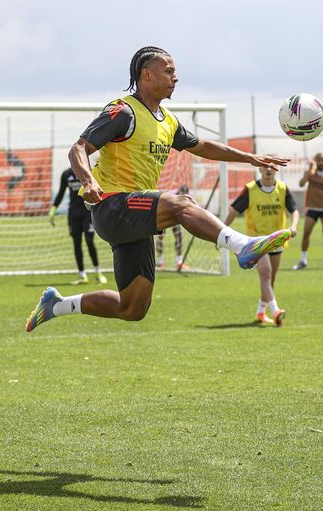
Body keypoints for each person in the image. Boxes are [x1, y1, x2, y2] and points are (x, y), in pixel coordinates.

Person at [26, 46, 291, 332]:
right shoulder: (123, 111)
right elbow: (78, 148)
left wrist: (250, 157)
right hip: (112, 205)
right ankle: (241, 245)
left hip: (134, 217)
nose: (175, 78)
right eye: (169, 71)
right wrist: (89, 180)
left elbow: (203, 146)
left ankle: (57, 305)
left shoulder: (168, 121)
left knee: (132, 308)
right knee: (181, 203)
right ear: (147, 75)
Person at [225, 165, 299, 326]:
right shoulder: (250, 189)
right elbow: (234, 211)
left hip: (277, 240)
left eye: (272, 166)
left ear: (277, 170)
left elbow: (294, 210)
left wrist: (293, 226)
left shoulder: (282, 188)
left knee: (270, 280)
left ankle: (261, 311)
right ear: (259, 169)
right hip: (257, 241)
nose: (269, 169)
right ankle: (276, 311)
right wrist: (222, 231)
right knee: (266, 273)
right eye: (265, 166)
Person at [49, 167, 108, 285]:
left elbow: (100, 189)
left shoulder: (89, 172)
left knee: (89, 240)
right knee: (76, 243)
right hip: (73, 214)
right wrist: (53, 209)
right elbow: (61, 193)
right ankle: (82, 275)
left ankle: (98, 272)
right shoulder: (66, 174)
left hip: (87, 213)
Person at [293, 153, 323, 271]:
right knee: (306, 234)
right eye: (318, 160)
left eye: (322, 160)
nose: (320, 162)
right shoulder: (310, 173)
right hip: (312, 208)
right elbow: (301, 184)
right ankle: (303, 260)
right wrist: (309, 171)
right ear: (315, 161)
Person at [156, 184, 189, 270]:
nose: (183, 195)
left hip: (174, 217)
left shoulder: (186, 198)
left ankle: (179, 262)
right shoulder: (172, 194)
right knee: (160, 237)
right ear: (179, 191)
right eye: (182, 193)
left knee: (179, 237)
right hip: (164, 215)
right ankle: (160, 262)